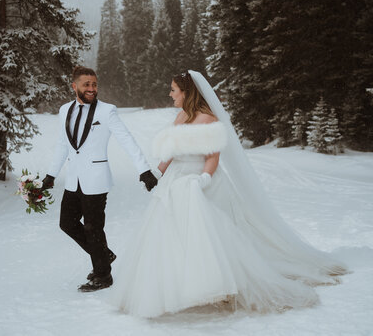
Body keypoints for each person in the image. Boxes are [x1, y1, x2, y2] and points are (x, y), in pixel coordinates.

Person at [111, 70, 347, 318]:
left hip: (201, 181)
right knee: (172, 234)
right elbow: (170, 151)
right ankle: (179, 286)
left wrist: (203, 179)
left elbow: (213, 156)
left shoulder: (208, 119)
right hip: (175, 182)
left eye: (173, 90)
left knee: (213, 236)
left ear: (186, 92)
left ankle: (220, 284)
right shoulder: (180, 117)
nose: (170, 94)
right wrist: (157, 173)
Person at [41, 66, 158, 292]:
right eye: (86, 85)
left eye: (94, 84)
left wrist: (144, 170)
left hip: (96, 179)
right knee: (66, 223)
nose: (92, 89)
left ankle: (103, 275)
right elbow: (63, 145)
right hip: (74, 180)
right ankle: (103, 255)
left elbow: (126, 139)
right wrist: (50, 175)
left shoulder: (107, 111)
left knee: (93, 228)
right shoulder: (65, 110)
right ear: (74, 86)